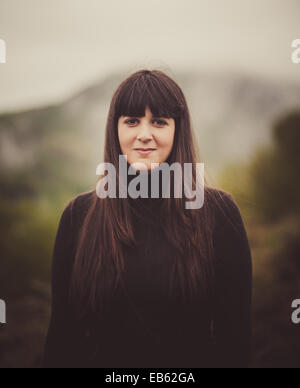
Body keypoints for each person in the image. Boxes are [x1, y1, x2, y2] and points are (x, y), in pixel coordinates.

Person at [43, 69, 253, 368]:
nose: (144, 134)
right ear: (114, 130)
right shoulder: (78, 216)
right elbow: (62, 339)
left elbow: (235, 343)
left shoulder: (219, 213)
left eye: (158, 121)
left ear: (176, 130)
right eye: (131, 121)